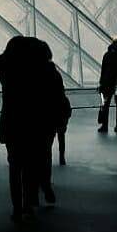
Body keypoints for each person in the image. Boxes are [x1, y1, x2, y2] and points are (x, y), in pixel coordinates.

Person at [0, 35, 56, 221]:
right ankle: (27, 203)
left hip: (11, 122)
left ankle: (17, 208)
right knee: (30, 166)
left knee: (15, 167)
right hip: (33, 123)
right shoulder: (36, 70)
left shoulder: (6, 70)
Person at [38, 42, 72, 206]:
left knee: (33, 153)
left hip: (35, 120)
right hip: (50, 119)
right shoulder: (54, 74)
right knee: (45, 152)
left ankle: (33, 188)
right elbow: (60, 97)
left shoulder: (29, 75)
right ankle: (45, 183)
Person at [98, 38, 117, 133]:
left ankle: (104, 126)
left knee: (105, 105)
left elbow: (103, 71)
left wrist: (101, 83)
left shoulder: (106, 55)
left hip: (106, 83)